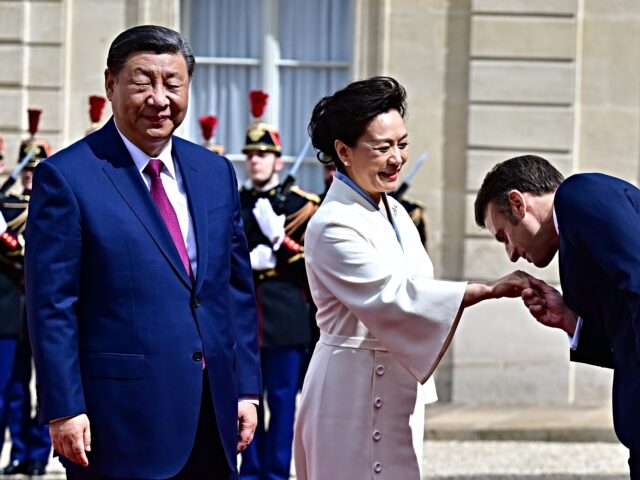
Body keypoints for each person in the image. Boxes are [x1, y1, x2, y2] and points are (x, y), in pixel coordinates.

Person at [25, 25, 261, 479]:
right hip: (119, 421)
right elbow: (52, 305)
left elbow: (234, 290)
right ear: (111, 84)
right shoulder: (68, 177)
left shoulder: (214, 172)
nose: (159, 98)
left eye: (172, 84)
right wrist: (64, 407)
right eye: (142, 82)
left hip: (213, 413)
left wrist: (246, 387)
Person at [292, 76, 531, 480]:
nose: (397, 158)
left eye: (401, 144)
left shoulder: (397, 212)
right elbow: (390, 297)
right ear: (343, 151)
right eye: (382, 147)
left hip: (398, 382)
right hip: (346, 386)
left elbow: (416, 289)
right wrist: (483, 291)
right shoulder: (331, 223)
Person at [474, 154, 640, 479]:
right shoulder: (574, 237)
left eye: (503, 235)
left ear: (518, 203)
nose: (510, 253)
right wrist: (570, 321)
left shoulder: (579, 195)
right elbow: (626, 341)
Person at [239, 90, 319, 480]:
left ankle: (275, 473)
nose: (256, 160)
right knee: (244, 398)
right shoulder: (232, 201)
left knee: (284, 399)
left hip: (285, 311)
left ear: (279, 161)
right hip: (243, 315)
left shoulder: (300, 205)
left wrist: (279, 244)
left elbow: (316, 262)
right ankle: (250, 471)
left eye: (263, 154)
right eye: (251, 155)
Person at [0, 116, 53, 477]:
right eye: (27, 171)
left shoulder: (53, 208)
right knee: (15, 386)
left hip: (43, 309)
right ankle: (19, 450)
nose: (31, 177)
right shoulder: (6, 207)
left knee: (47, 386)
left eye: (36, 170)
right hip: (8, 311)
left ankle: (41, 450)